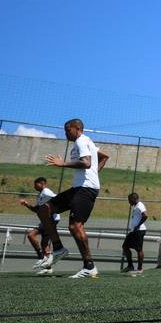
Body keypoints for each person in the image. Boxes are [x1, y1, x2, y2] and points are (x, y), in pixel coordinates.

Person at [34, 118, 110, 278]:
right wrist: (94, 173)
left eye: (68, 130)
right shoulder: (87, 141)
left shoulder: (81, 141)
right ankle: (58, 248)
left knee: (75, 227)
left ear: (77, 128)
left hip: (85, 189)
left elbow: (86, 163)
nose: (66, 133)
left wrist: (63, 163)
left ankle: (89, 267)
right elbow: (104, 157)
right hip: (78, 188)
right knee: (44, 210)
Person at [18, 176, 57, 264]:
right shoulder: (40, 195)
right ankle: (48, 266)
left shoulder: (46, 192)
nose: (34, 187)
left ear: (42, 184)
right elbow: (36, 209)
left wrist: (53, 210)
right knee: (44, 244)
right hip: (46, 221)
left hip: (51, 220)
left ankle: (41, 256)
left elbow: (58, 198)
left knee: (31, 235)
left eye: (36, 185)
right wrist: (26, 204)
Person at [121, 192, 149, 274]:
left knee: (139, 249)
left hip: (139, 230)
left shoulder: (140, 205)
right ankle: (130, 266)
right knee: (125, 246)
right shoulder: (136, 206)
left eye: (129, 200)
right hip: (134, 230)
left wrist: (137, 226)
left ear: (133, 199)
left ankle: (140, 268)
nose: (129, 202)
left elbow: (145, 215)